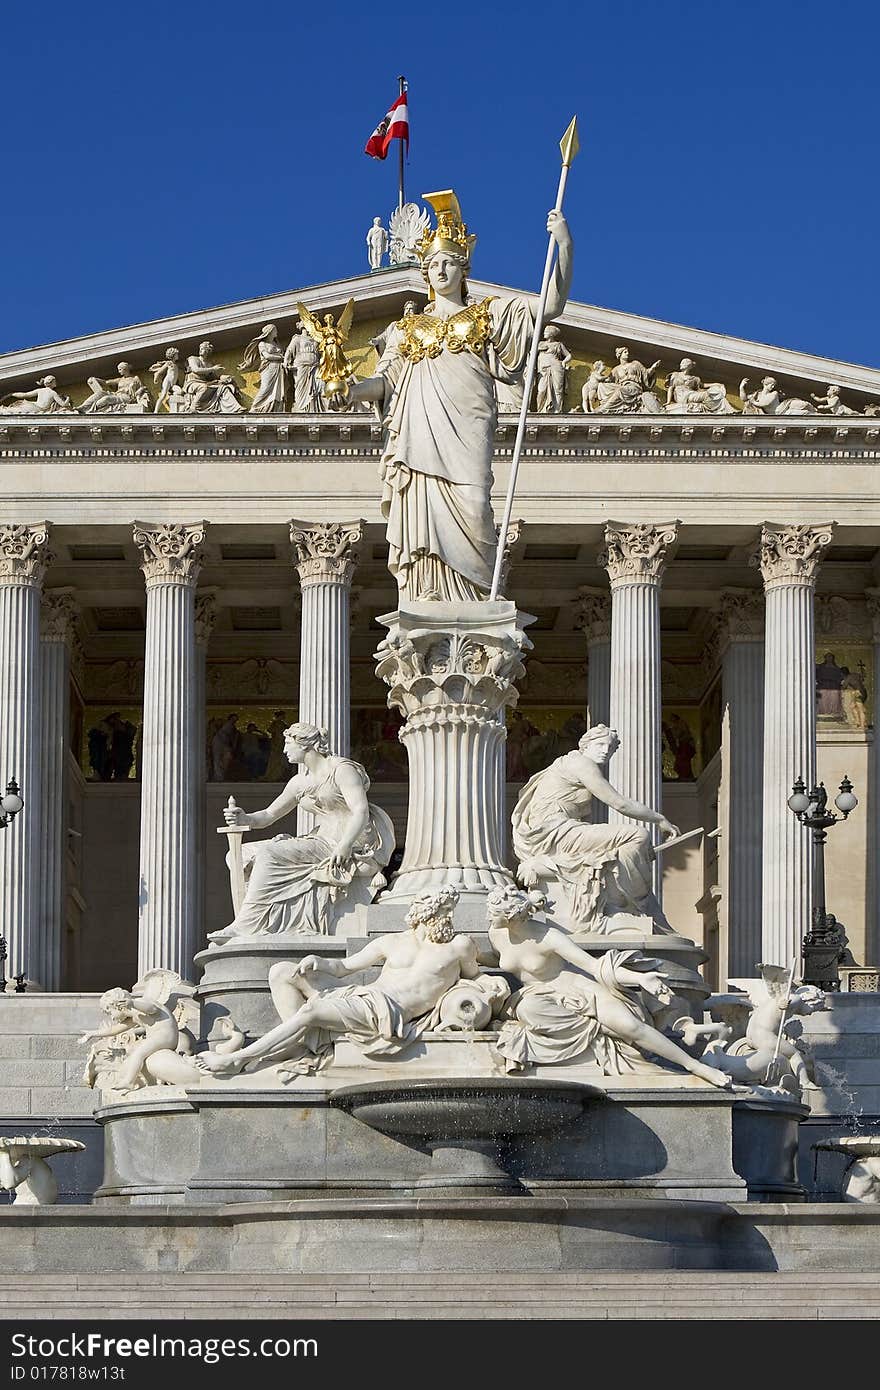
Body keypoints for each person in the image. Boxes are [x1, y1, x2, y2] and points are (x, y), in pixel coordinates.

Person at [332, 190, 573, 601]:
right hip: (420, 439)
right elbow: (386, 382)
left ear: (464, 269)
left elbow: (549, 306)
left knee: (477, 507)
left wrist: (563, 245)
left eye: (448, 263)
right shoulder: (405, 330)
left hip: (468, 430)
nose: (440, 271)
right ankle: (428, 596)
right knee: (424, 522)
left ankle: (475, 602)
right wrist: (349, 391)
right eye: (433, 265)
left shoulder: (489, 315)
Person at [199, 885, 476, 1075]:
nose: (447, 917)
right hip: (363, 996)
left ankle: (238, 1059)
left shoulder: (458, 946)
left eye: (448, 910)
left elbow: (476, 975)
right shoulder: (392, 941)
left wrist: (493, 985)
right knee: (281, 971)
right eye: (442, 910)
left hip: (385, 1012)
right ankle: (297, 1046)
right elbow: (344, 967)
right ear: (422, 913)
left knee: (311, 1010)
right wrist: (319, 962)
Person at [485, 886, 733, 1087]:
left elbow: (595, 967)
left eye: (493, 913)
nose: (488, 917)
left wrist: (641, 979)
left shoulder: (549, 937)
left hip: (575, 989)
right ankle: (599, 1030)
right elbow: (494, 961)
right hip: (535, 994)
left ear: (512, 916)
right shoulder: (496, 933)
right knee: (529, 1009)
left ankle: (695, 1066)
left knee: (631, 1026)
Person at [208, 721, 394, 940]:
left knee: (269, 854)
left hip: (347, 842)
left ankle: (245, 925)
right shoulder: (299, 782)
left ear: (305, 745)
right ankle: (262, 921)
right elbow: (269, 815)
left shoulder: (342, 770)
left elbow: (361, 811)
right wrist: (244, 817)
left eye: (287, 744)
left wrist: (344, 845)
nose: (283, 750)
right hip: (319, 840)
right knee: (239, 855)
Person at [511, 723, 679, 935]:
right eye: (600, 744)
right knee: (638, 835)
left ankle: (626, 902)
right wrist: (659, 818)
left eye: (610, 748)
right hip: (555, 833)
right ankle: (624, 904)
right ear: (585, 745)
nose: (604, 751)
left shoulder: (567, 762)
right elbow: (620, 804)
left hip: (557, 830)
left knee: (618, 849)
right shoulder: (581, 763)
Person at [239, 323, 287, 412]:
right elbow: (267, 356)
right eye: (275, 330)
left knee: (278, 390)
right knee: (266, 388)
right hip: (268, 368)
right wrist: (281, 358)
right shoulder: (262, 344)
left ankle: (275, 408)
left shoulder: (277, 344)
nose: (276, 332)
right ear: (270, 332)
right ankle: (255, 407)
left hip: (279, 368)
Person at [535, 325, 571, 413]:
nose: (544, 333)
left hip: (556, 367)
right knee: (541, 390)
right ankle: (540, 410)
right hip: (543, 370)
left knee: (557, 389)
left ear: (551, 334)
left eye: (546, 332)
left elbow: (569, 355)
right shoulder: (540, 344)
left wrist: (563, 362)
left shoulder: (558, 345)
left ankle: (557, 409)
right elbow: (531, 354)